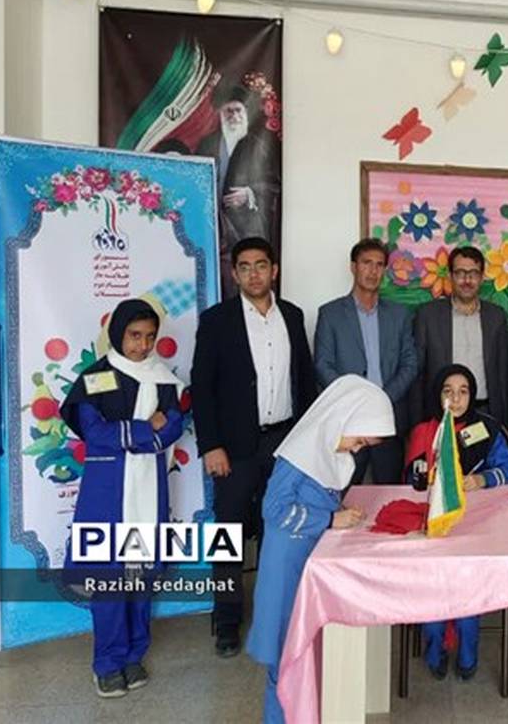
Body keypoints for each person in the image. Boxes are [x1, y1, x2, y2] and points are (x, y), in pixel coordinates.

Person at [192, 237, 317, 658]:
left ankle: (271, 614)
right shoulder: (217, 321)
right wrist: (211, 446)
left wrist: (307, 441)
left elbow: (304, 380)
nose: (253, 274)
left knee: (276, 530)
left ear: (274, 270)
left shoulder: (293, 316)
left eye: (260, 265)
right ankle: (227, 619)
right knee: (227, 533)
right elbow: (202, 388)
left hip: (284, 442)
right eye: (243, 267)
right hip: (234, 446)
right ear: (234, 274)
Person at [245, 376, 396, 724]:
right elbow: (274, 509)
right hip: (286, 568)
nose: (357, 449)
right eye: (359, 440)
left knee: (304, 658)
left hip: (307, 563)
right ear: (343, 419)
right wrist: (330, 519)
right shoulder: (298, 456)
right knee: (285, 661)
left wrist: (336, 514)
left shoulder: (326, 451)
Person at [60, 299, 185, 698]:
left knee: (141, 576)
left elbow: (174, 425)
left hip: (149, 487)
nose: (142, 345)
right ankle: (107, 663)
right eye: (134, 335)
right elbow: (95, 432)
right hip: (108, 491)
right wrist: (145, 429)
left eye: (149, 337)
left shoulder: (163, 379)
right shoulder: (98, 378)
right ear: (117, 333)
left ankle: (133, 655)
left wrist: (137, 435)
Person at [405, 365, 508, 680]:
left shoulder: (488, 429)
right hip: (434, 526)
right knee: (434, 591)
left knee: (469, 590)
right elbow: (410, 481)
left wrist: (481, 480)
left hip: (477, 526)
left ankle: (468, 653)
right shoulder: (424, 431)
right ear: (437, 395)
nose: (455, 399)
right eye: (448, 391)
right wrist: (430, 479)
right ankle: (435, 648)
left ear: (472, 395)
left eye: (463, 391)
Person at [314, 239, 418, 484]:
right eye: (366, 263)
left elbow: (410, 363)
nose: (373, 271)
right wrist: (356, 399)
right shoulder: (330, 313)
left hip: (388, 419)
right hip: (347, 420)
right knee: (345, 492)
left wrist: (381, 399)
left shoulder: (399, 314)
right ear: (353, 267)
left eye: (379, 265)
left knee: (388, 492)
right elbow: (322, 365)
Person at [411, 246, 508, 427]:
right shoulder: (428, 316)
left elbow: (503, 373)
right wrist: (416, 424)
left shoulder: (496, 316)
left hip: (485, 412)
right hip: (441, 415)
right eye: (460, 273)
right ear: (450, 276)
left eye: (473, 273)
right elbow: (417, 375)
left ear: (482, 277)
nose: (467, 280)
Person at [197, 81, 281, 289]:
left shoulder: (259, 145)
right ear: (220, 114)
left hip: (247, 228)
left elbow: (274, 184)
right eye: (229, 111)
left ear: (246, 114)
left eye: (238, 111)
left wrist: (250, 193)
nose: (234, 116)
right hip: (212, 229)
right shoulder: (207, 144)